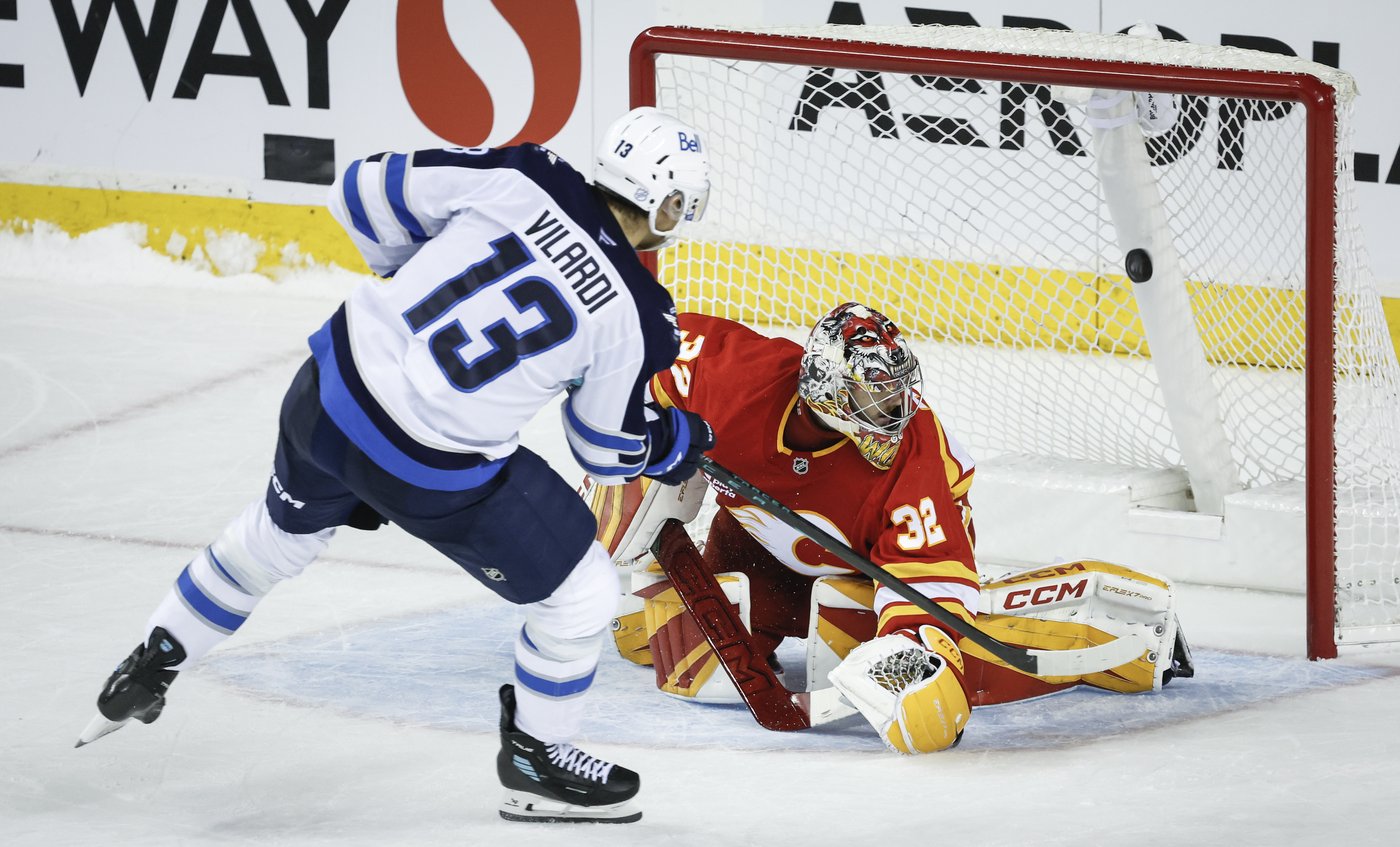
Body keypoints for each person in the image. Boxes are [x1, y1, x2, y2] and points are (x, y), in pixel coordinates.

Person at [76, 106, 717, 824]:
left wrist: (407, 275)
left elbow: (359, 191)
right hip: (426, 466)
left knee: (278, 536)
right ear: (668, 206)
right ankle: (537, 758)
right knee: (583, 593)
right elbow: (603, 447)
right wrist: (673, 440)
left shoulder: (527, 173)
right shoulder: (638, 312)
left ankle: (156, 656)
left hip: (328, 394)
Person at [584, 304, 1193, 754]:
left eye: (897, 395)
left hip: (870, 566)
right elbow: (635, 349)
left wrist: (918, 646)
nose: (895, 414)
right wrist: (608, 404)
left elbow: (925, 580)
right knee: (663, 649)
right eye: (875, 400)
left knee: (897, 675)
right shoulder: (734, 378)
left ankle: (1097, 628)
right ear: (825, 389)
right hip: (758, 541)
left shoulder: (911, 457)